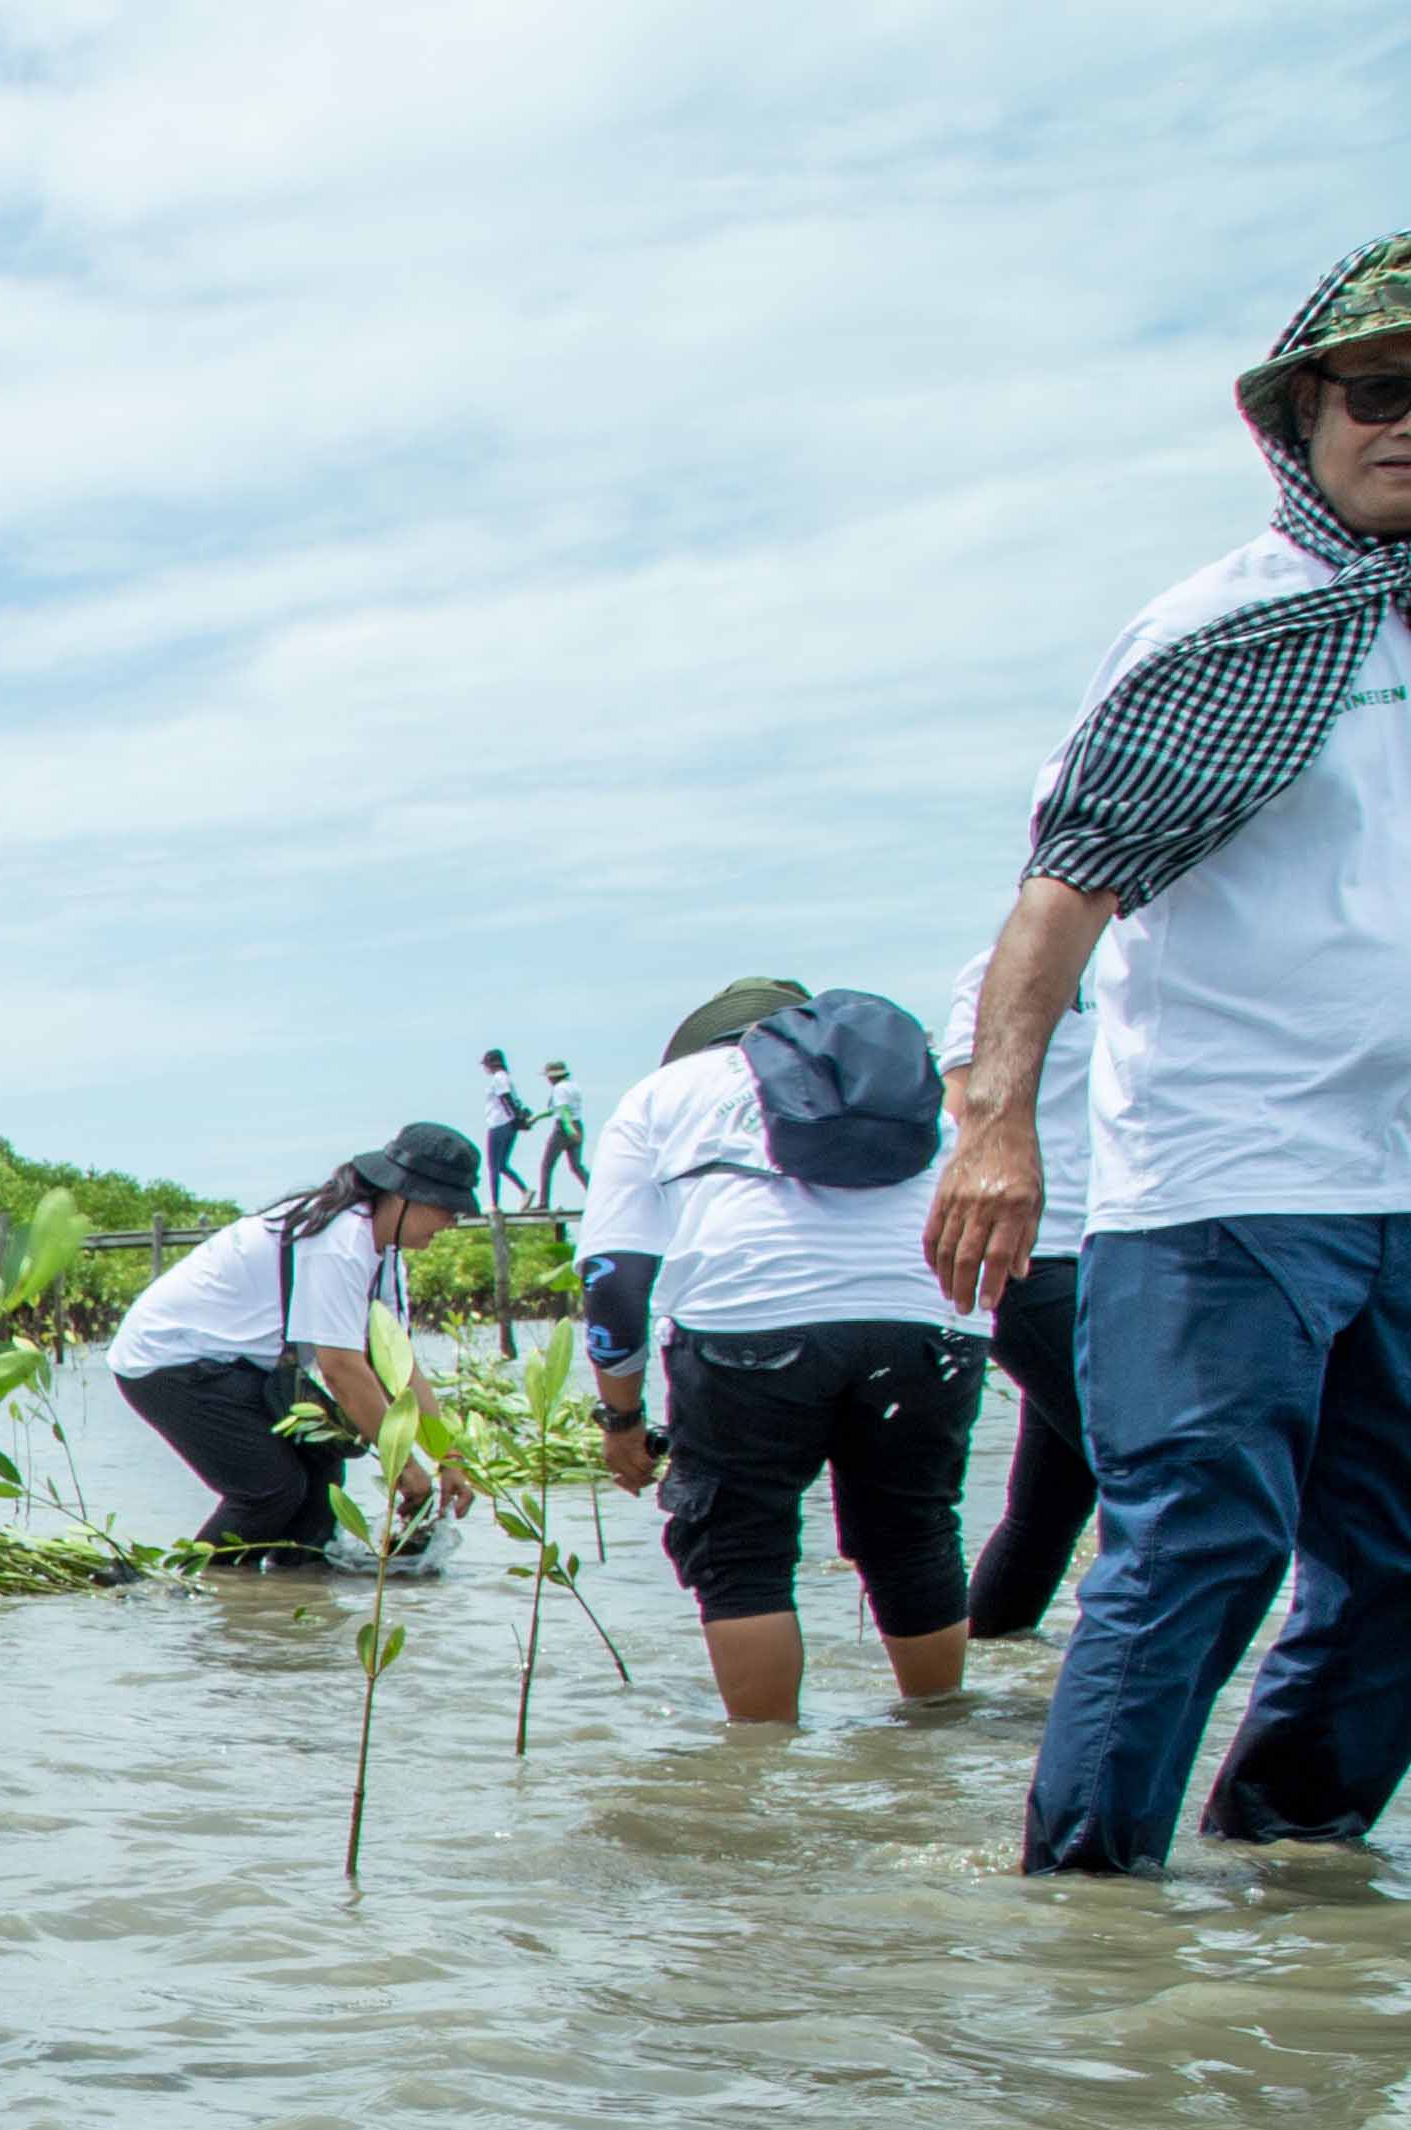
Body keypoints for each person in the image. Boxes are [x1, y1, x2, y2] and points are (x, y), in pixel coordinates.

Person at [941, 231, 1411, 1872]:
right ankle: (1088, 1909)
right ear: (1300, 417)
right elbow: (1063, 887)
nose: (1405, 424)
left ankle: (1291, 1862)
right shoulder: (1227, 632)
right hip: (1224, 1179)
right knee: (1202, 1543)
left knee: (1398, 1559)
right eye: (1377, 389)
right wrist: (997, 1127)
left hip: (1401, 1184)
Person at [577, 980, 975, 1720]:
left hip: (749, 1319)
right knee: (913, 1534)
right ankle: (939, 1739)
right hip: (930, 1316)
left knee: (742, 1552)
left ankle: (761, 1770)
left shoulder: (666, 1092)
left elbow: (614, 1278)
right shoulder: (897, 1083)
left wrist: (622, 1420)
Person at [106, 1124, 482, 1560]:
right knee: (270, 1490)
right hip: (167, 1358)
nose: (452, 1222)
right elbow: (342, 1369)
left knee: (322, 1484)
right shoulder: (339, 1242)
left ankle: (292, 1596)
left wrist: (448, 1457)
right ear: (403, 1195)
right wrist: (404, 1466)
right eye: (447, 1208)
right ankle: (190, 1586)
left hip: (239, 1364)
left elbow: (397, 1367)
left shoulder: (385, 1252)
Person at [934, 945, 1098, 1636]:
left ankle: (985, 1668)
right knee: (1147, 1462)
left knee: (1055, 1501)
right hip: (1027, 1252)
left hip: (1111, 1247)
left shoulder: (1154, 965)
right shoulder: (1014, 962)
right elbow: (960, 1103)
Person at [531, 1062, 589, 1211]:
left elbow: (563, 1111)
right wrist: (535, 1118)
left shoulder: (559, 1089)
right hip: (578, 1125)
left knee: (547, 1165)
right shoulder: (573, 1086)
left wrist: (569, 1129)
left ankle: (544, 1203)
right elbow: (553, 1110)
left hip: (563, 1128)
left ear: (553, 1077)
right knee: (576, 1166)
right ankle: (596, 1194)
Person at [480, 1049, 533, 1210]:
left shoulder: (499, 1078)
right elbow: (513, 1100)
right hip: (509, 1125)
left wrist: (515, 1116)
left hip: (499, 1124)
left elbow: (505, 1098)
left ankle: (495, 1204)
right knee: (502, 1165)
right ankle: (524, 1190)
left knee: (493, 1167)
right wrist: (518, 1118)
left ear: (491, 1064)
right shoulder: (507, 1078)